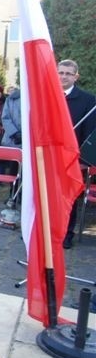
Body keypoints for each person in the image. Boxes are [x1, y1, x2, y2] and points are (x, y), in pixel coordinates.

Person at [58, 59, 96, 248]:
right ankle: (46, 233)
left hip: (72, 160)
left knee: (68, 198)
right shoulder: (48, 95)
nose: (63, 76)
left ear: (76, 77)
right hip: (48, 157)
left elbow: (90, 132)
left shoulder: (88, 100)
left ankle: (66, 234)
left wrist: (82, 161)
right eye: (61, 72)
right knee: (46, 197)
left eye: (68, 73)